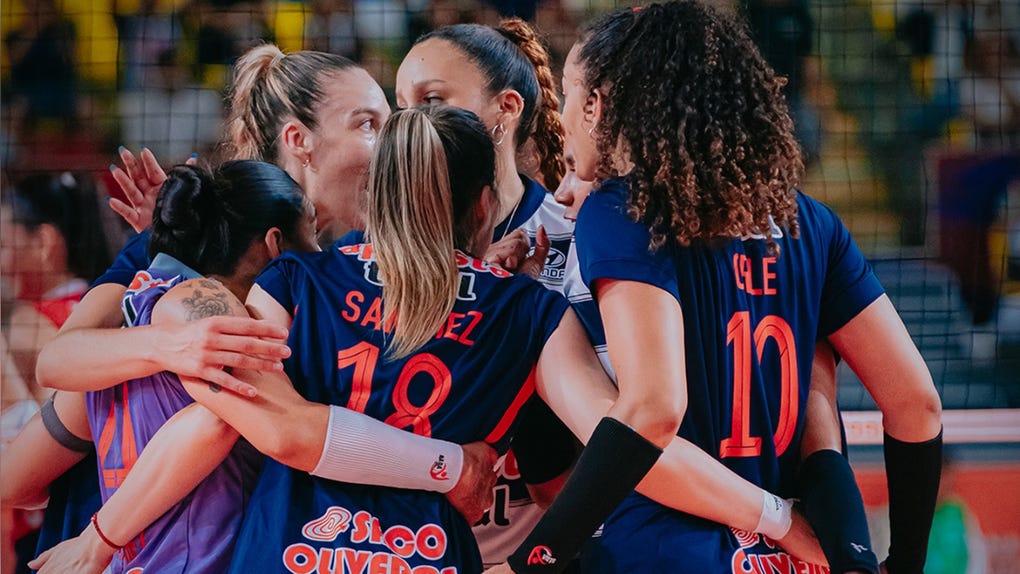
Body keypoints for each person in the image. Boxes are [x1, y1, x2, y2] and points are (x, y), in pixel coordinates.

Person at [493, 2, 943, 573]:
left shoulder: (620, 211)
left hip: (663, 553)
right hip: (784, 558)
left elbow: (653, 410)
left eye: (569, 95)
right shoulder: (810, 222)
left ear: (596, 105)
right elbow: (917, 404)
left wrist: (532, 563)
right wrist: (904, 561)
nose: (563, 120)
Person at [4, 159, 319, 574]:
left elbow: (15, 481)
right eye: (313, 231)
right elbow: (223, 419)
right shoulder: (206, 308)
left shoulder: (114, 338)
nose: (320, 253)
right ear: (274, 243)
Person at [395, 20, 604, 568]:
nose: (410, 121)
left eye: (431, 100)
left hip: (539, 548)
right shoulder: (374, 249)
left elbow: (617, 422)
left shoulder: (579, 236)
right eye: (401, 105)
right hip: (401, 549)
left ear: (505, 110)